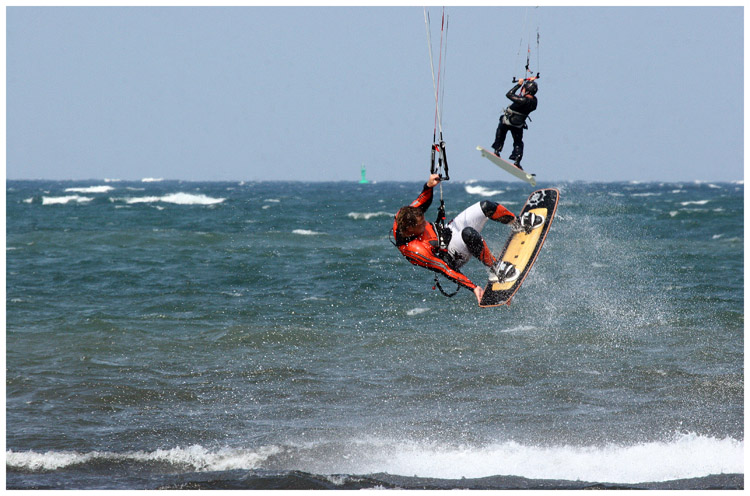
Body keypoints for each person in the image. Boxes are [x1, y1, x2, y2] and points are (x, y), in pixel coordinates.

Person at [393, 173, 527, 304]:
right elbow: (446, 269)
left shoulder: (405, 214)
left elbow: (423, 201)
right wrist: (473, 288)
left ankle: (518, 224)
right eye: (421, 225)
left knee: (486, 206)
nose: (425, 224)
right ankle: (496, 268)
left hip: (449, 231)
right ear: (409, 230)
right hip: (452, 254)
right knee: (469, 234)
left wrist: (429, 186)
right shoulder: (415, 250)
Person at [491, 79, 538, 169]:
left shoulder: (522, 100)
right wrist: (530, 82)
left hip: (508, 121)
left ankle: (497, 150)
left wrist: (518, 85)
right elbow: (530, 96)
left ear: (527, 90)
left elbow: (509, 94)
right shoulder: (535, 102)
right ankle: (517, 160)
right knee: (518, 142)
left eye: (524, 89)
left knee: (501, 130)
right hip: (518, 125)